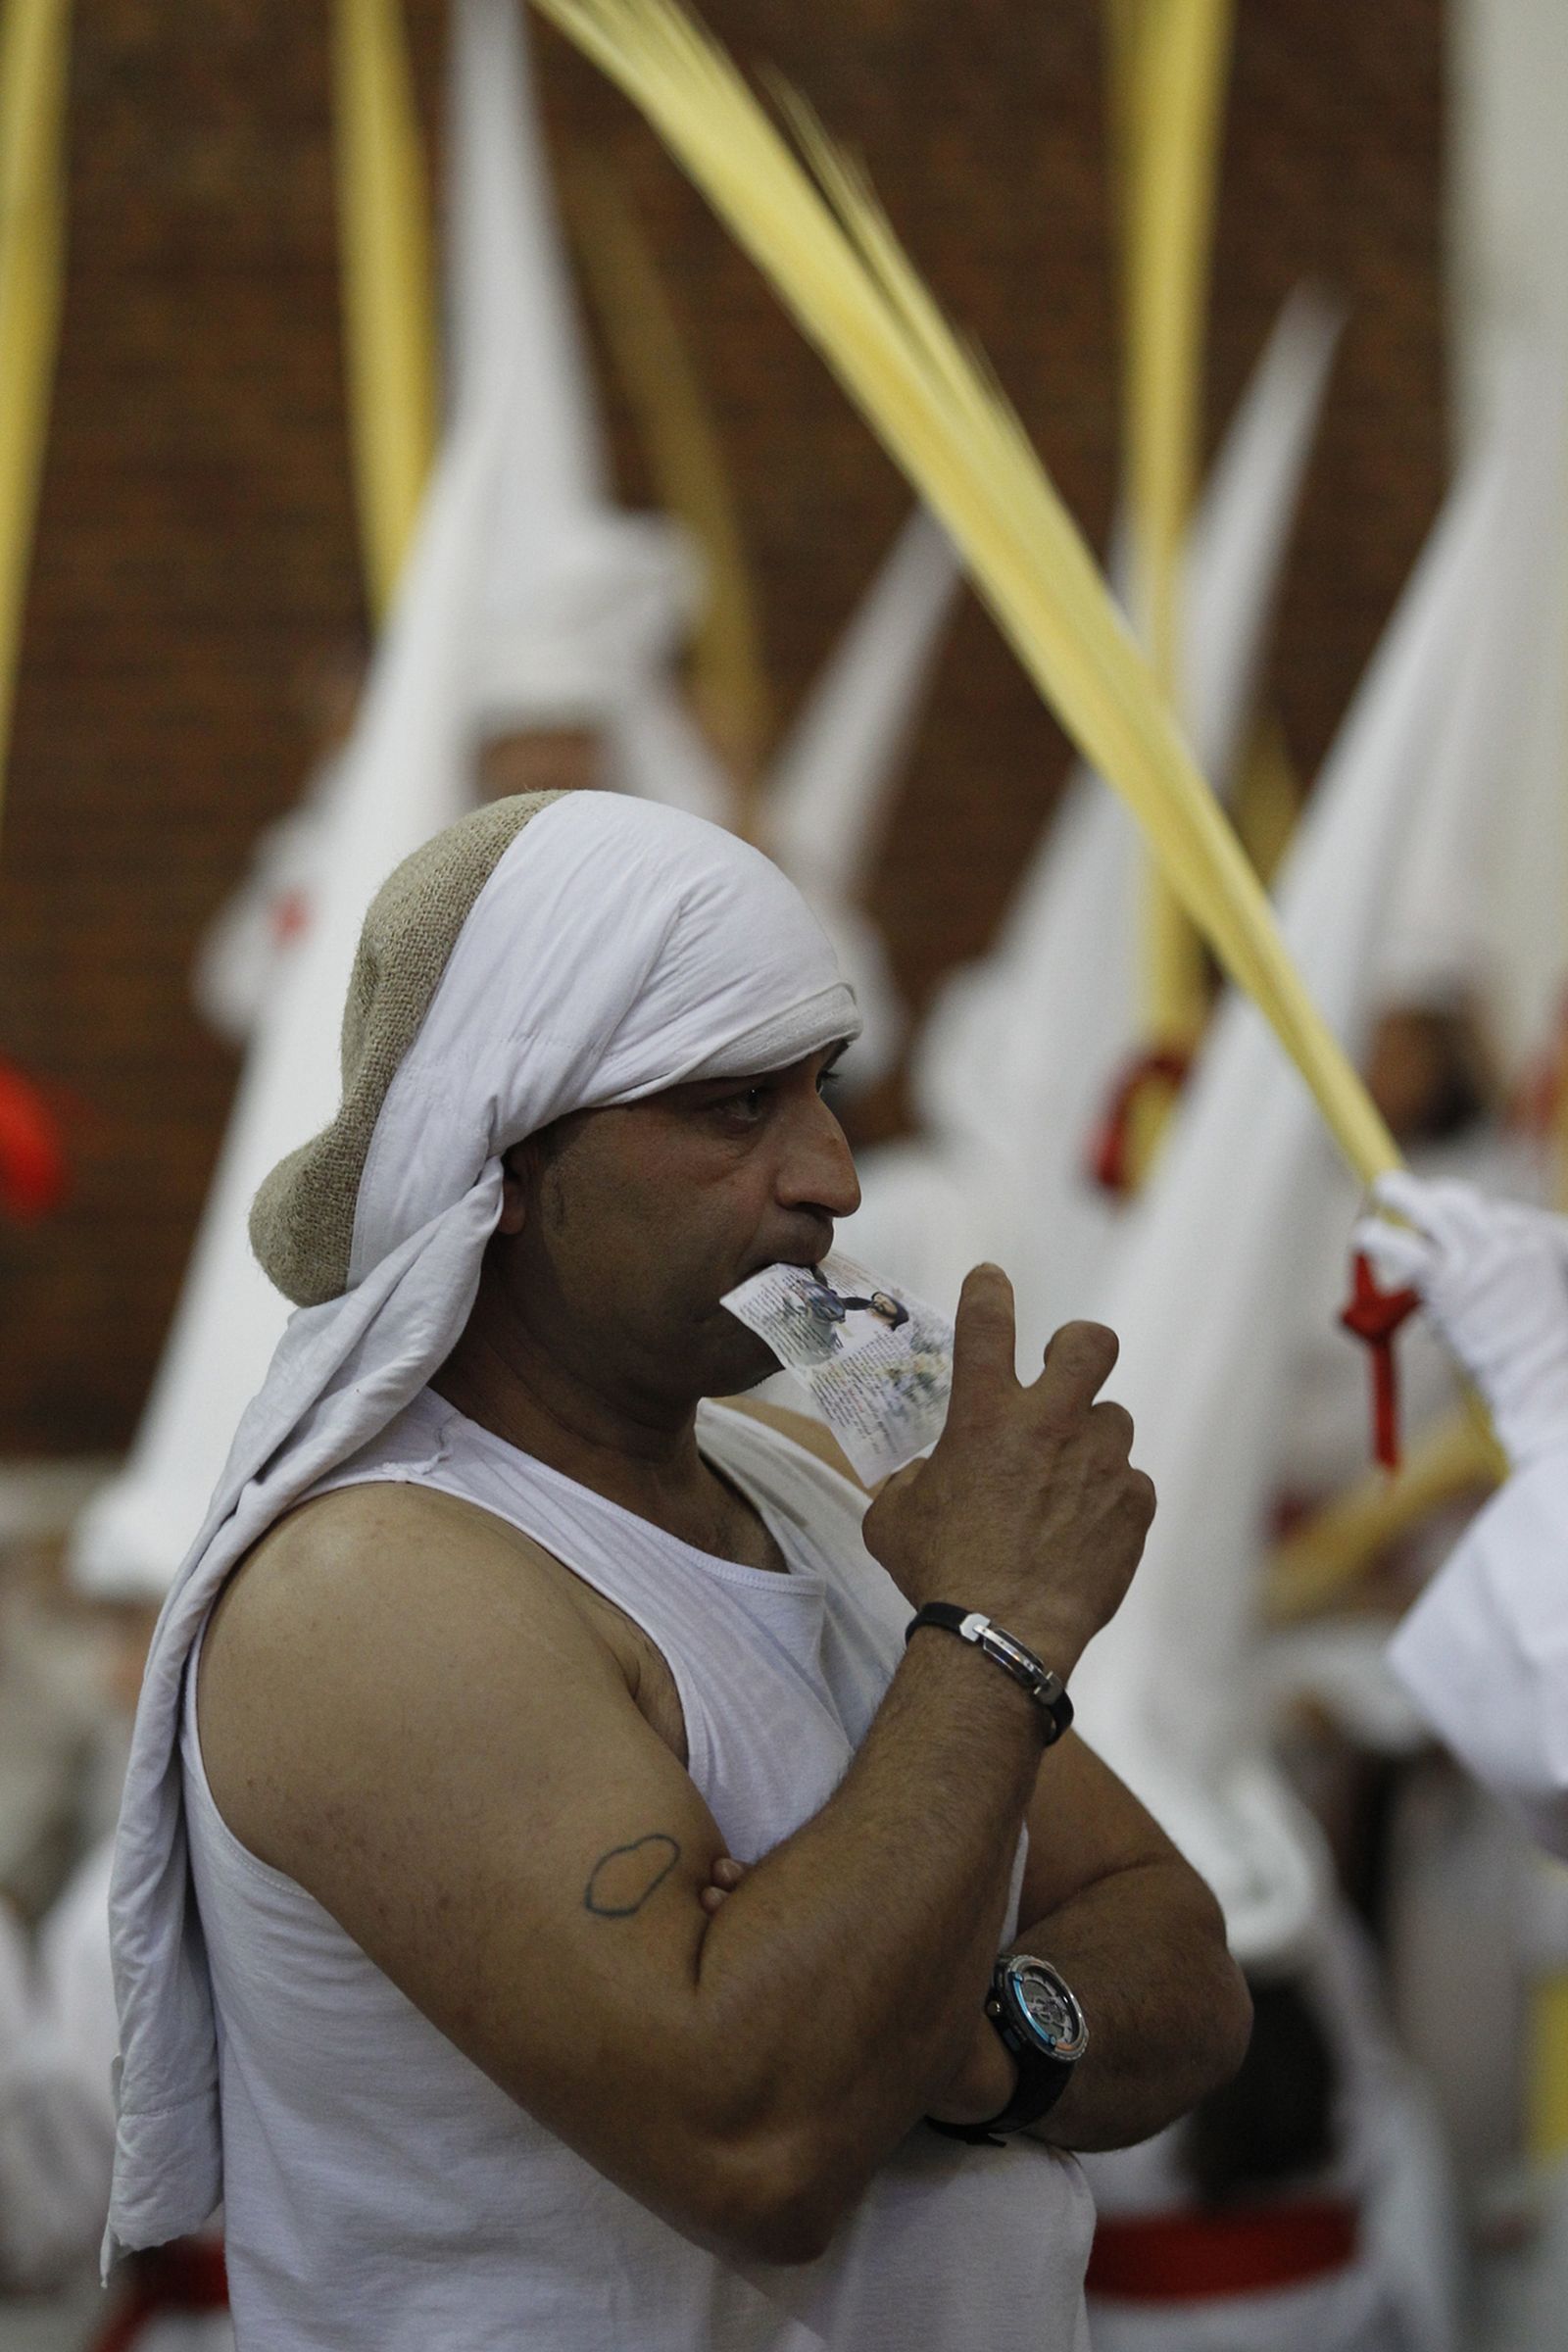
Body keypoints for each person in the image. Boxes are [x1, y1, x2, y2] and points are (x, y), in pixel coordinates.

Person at [106, 789, 1250, 2350]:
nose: (834, 1177)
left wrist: (965, 2043)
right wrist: (990, 1635)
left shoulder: (807, 1499)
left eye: (822, 1088)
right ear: (501, 1159)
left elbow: (1179, 1955)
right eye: (730, 1107)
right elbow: (762, 2145)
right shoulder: (368, 1590)